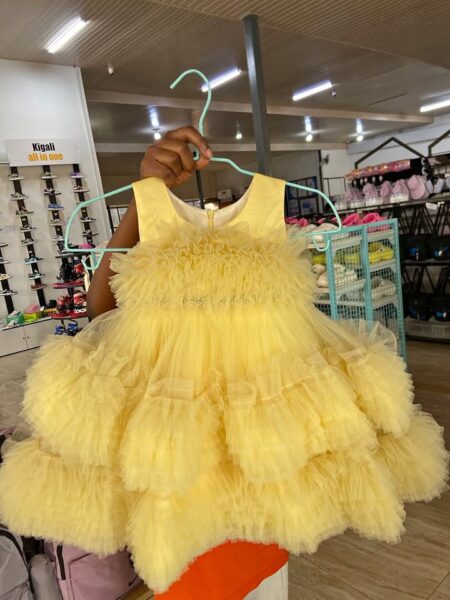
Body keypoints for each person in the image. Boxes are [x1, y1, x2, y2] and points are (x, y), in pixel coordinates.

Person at [87, 125, 289, 600]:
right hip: (181, 488)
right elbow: (102, 312)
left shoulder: (270, 212)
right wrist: (144, 198)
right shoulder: (152, 219)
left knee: (258, 568)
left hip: (258, 481)